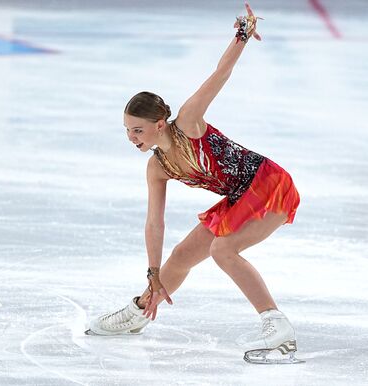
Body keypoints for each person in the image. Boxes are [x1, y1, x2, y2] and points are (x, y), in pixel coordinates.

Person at [85, 3, 304, 364]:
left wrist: (242, 34)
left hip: (268, 184)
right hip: (239, 195)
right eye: (127, 130)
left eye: (137, 130)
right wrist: (153, 273)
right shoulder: (157, 167)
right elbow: (155, 223)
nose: (131, 138)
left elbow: (222, 72)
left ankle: (277, 327)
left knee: (222, 250)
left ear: (159, 124)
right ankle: (141, 310)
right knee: (182, 256)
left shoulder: (187, 122)